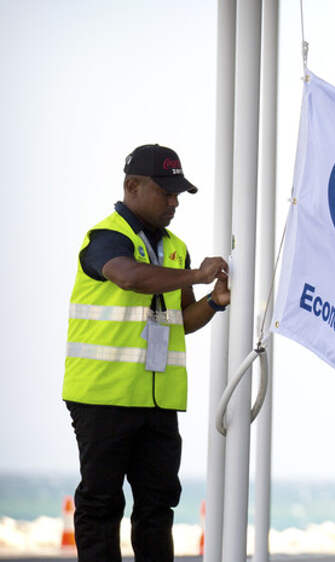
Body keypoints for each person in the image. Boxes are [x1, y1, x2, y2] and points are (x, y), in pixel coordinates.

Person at [63, 144, 230, 561]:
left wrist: (214, 302)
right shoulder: (105, 238)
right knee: (101, 504)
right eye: (166, 192)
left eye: (178, 194)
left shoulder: (175, 247)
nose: (174, 203)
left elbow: (181, 320)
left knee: (158, 507)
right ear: (132, 186)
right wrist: (196, 274)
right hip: (103, 396)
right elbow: (130, 278)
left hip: (158, 401)